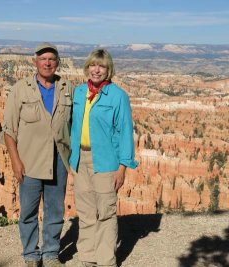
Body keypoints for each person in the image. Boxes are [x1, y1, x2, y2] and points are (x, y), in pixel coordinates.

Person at [1, 42, 73, 267]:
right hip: (29, 161)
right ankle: (31, 255)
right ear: (35, 62)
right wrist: (15, 161)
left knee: (55, 210)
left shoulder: (67, 88)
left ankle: (51, 254)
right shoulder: (20, 89)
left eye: (52, 59)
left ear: (57, 63)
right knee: (29, 211)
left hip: (59, 160)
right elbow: (8, 130)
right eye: (43, 59)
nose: (47, 63)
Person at [69, 49, 138, 267]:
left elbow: (125, 132)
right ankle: (88, 259)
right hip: (80, 159)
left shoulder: (118, 96)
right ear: (87, 67)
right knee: (86, 213)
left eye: (102, 66)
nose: (96, 70)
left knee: (106, 214)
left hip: (106, 162)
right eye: (93, 65)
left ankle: (106, 261)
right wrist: (71, 159)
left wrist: (122, 167)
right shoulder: (79, 93)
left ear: (109, 70)